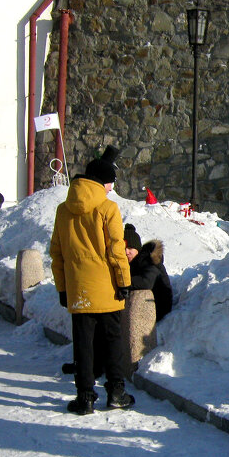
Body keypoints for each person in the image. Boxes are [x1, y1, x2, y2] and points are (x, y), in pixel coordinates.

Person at [50, 146, 135, 414]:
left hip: (79, 290)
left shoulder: (64, 210)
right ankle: (116, 393)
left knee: (83, 345)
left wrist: (63, 288)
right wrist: (124, 282)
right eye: (111, 182)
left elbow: (57, 253)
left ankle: (85, 397)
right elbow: (116, 250)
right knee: (113, 342)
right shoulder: (108, 208)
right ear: (102, 182)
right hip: (107, 288)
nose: (112, 187)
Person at [124, 223, 173, 322]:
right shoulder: (132, 262)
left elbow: (146, 282)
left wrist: (121, 282)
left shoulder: (148, 260)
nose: (126, 252)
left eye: (130, 248)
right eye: (123, 249)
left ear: (137, 248)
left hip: (158, 308)